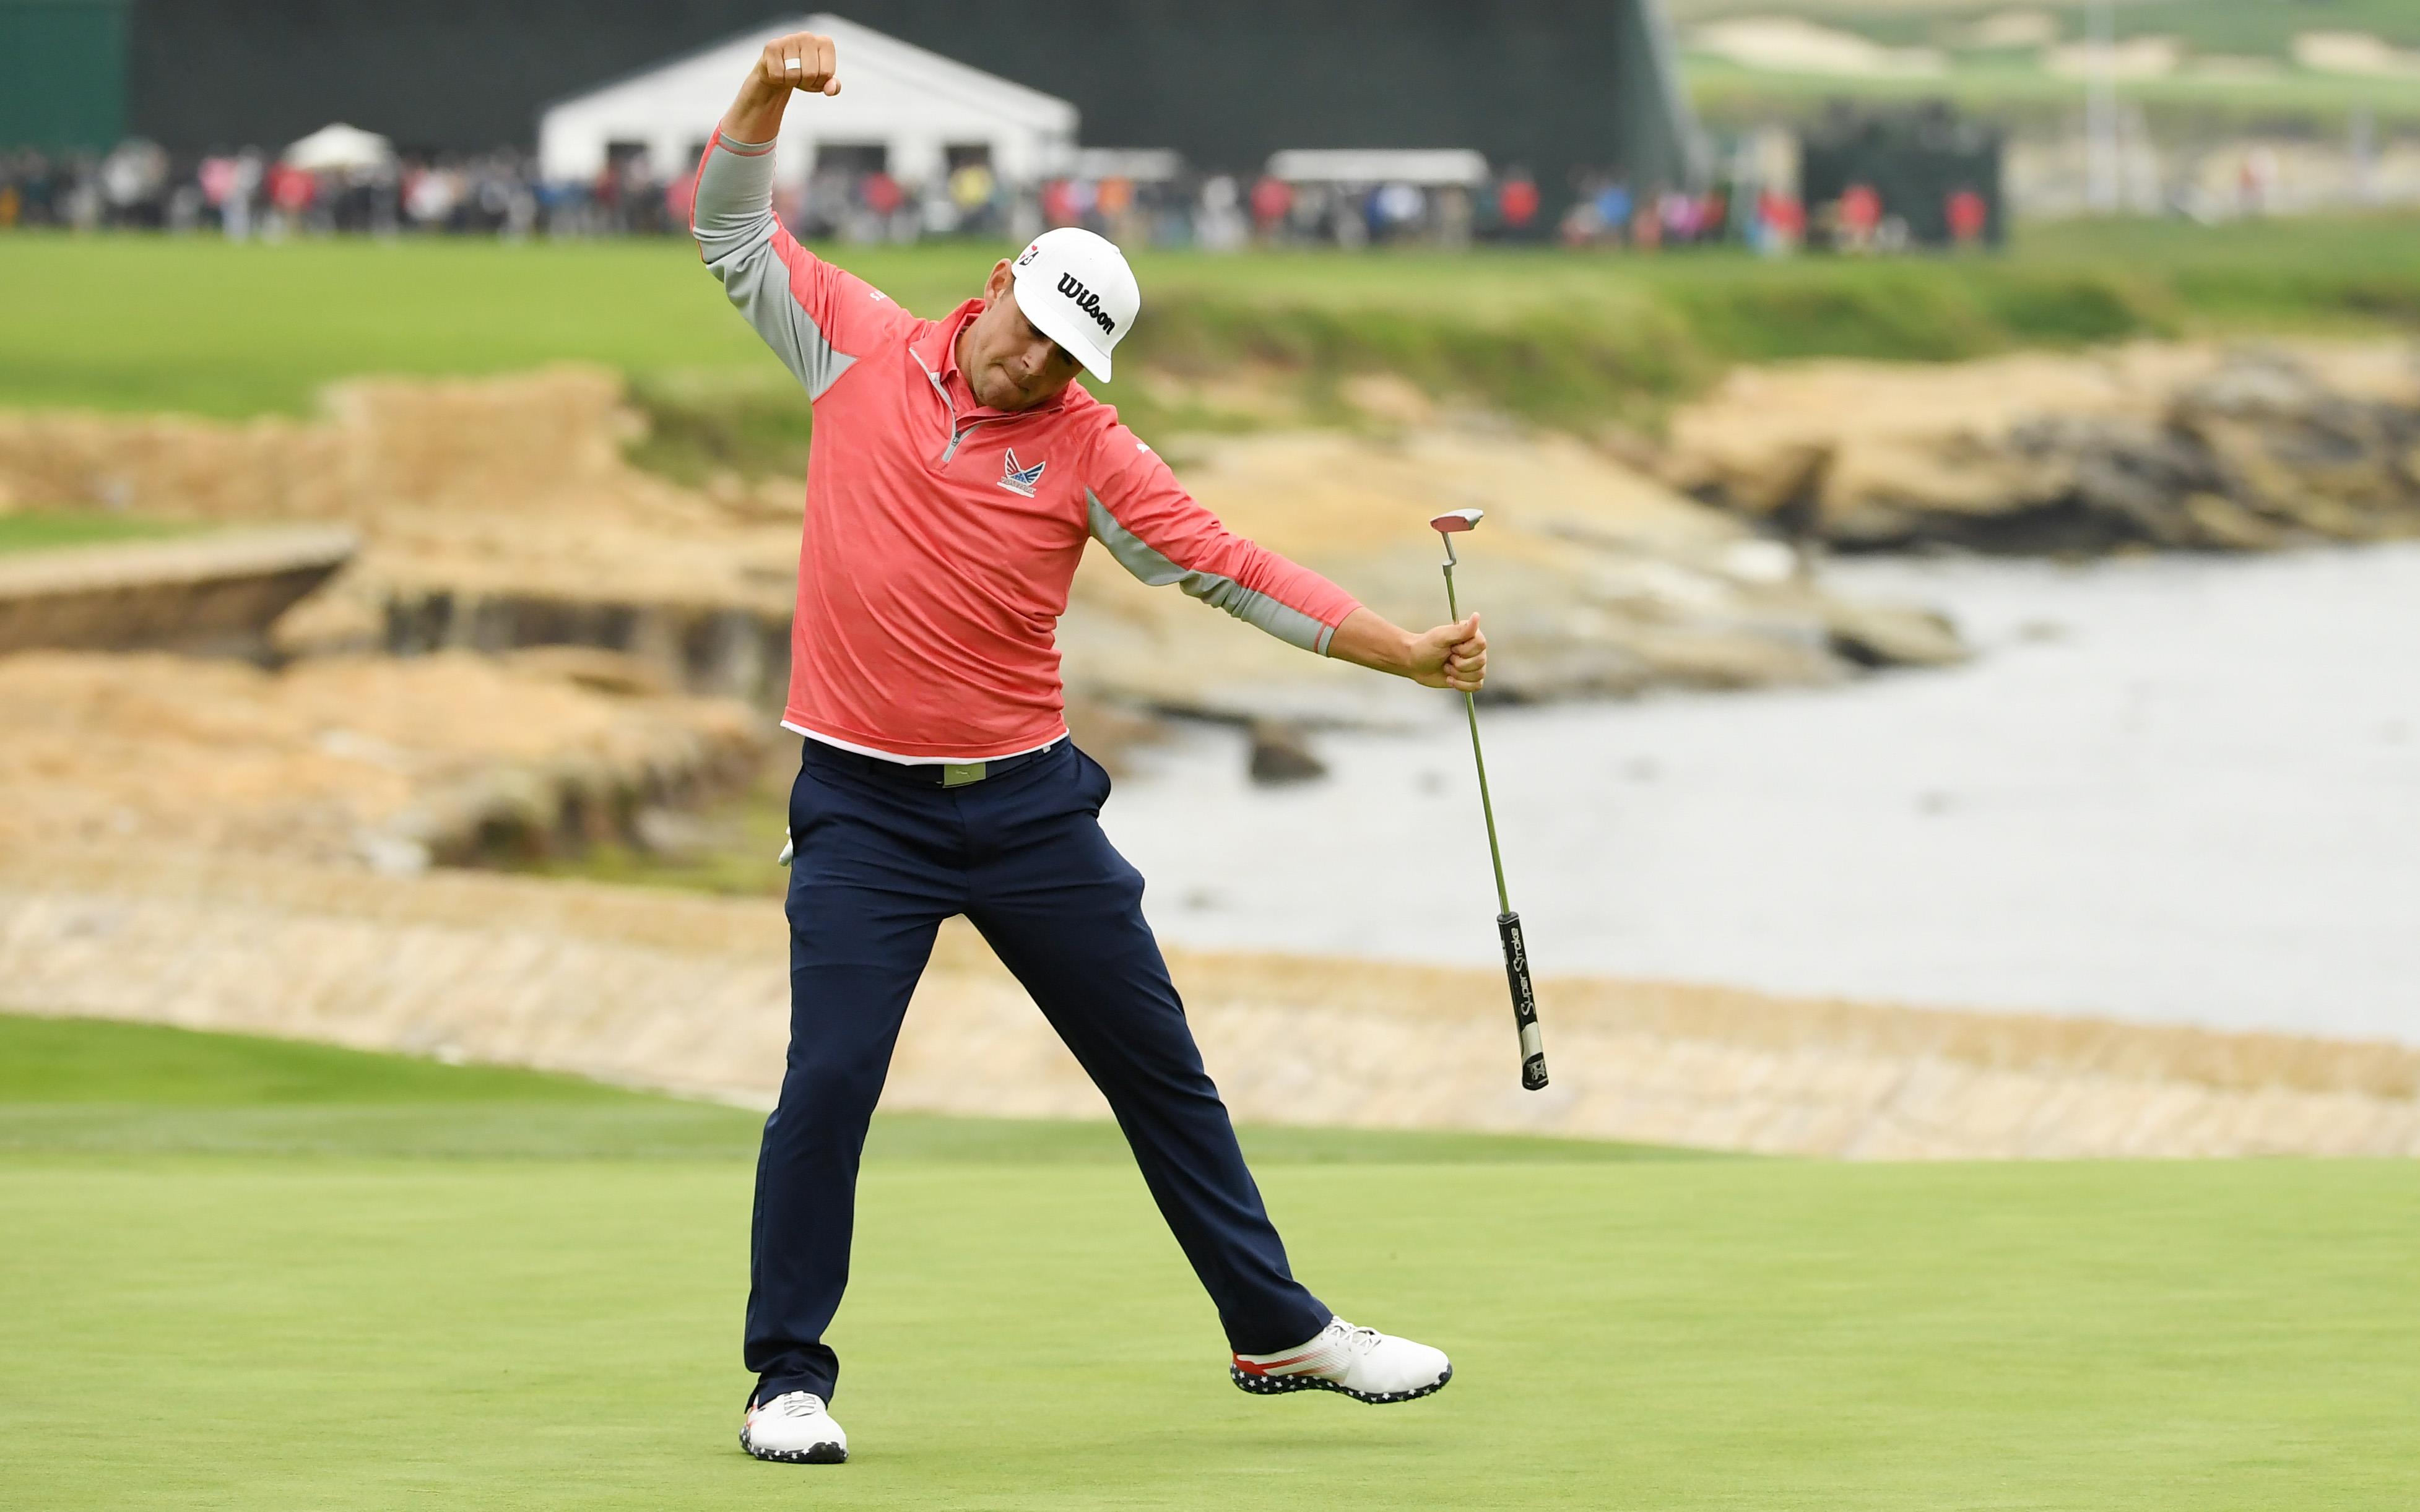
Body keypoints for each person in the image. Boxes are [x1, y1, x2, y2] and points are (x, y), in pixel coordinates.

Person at [694, 32, 1484, 1466]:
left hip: (1030, 813)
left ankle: (1276, 1326)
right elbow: (729, 223)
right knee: (829, 1082)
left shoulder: (1089, 447)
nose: (1039, 364)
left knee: (1158, 1068)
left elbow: (1228, 568)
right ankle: (785, 1380)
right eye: (1032, 332)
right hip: (862, 810)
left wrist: (1403, 651)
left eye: (1069, 355)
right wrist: (762, 95)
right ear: (994, 285)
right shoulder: (854, 345)